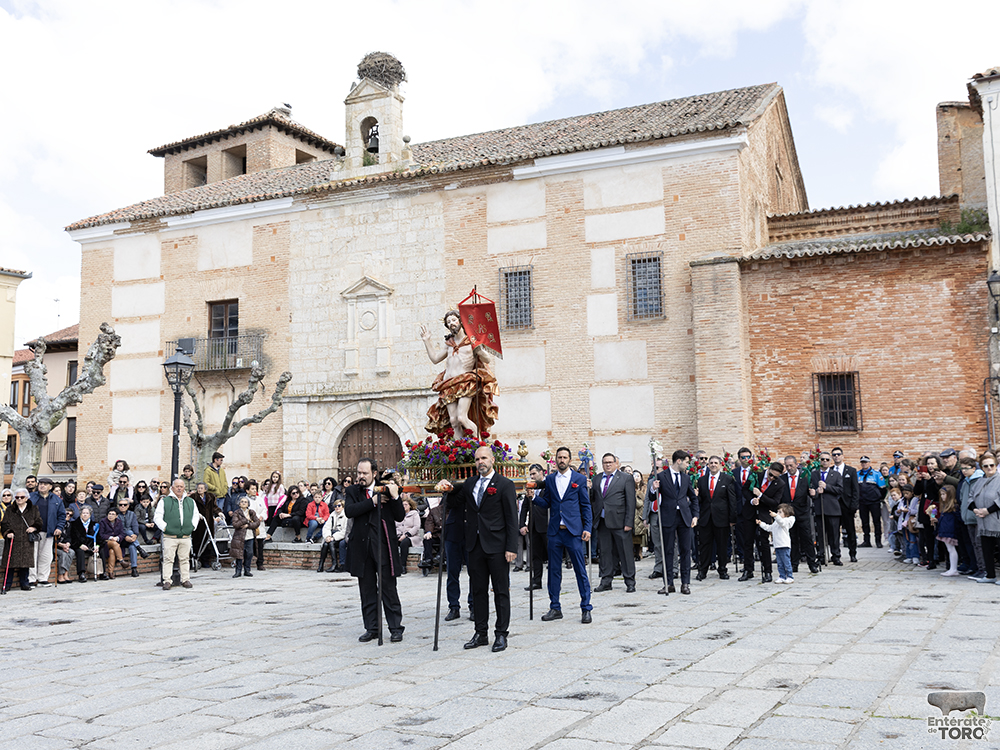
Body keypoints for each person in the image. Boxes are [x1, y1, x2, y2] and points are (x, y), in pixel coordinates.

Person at [439, 444, 518, 651]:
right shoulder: (470, 483)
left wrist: (512, 547)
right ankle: (480, 633)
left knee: (501, 591)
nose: (480, 462)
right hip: (474, 546)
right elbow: (454, 502)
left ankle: (501, 634)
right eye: (477, 459)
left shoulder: (505, 484)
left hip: (497, 546)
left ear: (492, 460)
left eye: (483, 458)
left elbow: (512, 518)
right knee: (478, 591)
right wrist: (446, 488)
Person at [345, 458, 405, 642]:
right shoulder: (353, 491)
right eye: (359, 473)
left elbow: (399, 516)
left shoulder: (386, 488)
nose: (361, 477)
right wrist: (372, 502)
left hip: (383, 546)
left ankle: (395, 628)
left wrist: (395, 497)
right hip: (361, 548)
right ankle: (372, 628)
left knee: (388, 588)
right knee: (367, 590)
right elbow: (350, 511)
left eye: (365, 473)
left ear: (374, 473)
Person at [534, 446, 594, 621]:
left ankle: (586, 608)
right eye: (559, 457)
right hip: (555, 532)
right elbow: (547, 502)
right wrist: (534, 498)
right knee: (553, 570)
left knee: (580, 570)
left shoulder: (579, 479)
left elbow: (585, 505)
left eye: (565, 457)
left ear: (569, 460)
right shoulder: (550, 479)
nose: (562, 460)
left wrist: (587, 528)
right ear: (556, 459)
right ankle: (555, 607)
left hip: (573, 531)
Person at [421, 310, 498, 438]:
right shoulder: (449, 344)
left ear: (461, 321)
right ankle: (459, 446)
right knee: (454, 421)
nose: (451, 323)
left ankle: (479, 444)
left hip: (465, 382)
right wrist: (427, 341)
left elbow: (487, 359)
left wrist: (479, 348)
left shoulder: (471, 341)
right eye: (448, 322)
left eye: (454, 320)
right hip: (448, 384)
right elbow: (435, 359)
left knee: (462, 417)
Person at [655, 450, 700, 595]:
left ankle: (685, 583)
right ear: (678, 461)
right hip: (668, 516)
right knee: (668, 550)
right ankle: (668, 583)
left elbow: (693, 498)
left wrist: (695, 515)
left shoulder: (686, 478)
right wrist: (653, 488)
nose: (688, 465)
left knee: (686, 550)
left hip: (684, 517)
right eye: (686, 462)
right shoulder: (661, 476)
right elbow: (652, 497)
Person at [591, 453, 637, 593]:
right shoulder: (597, 479)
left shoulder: (625, 478)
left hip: (620, 522)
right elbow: (593, 499)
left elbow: (631, 501)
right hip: (603, 521)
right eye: (605, 462)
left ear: (616, 463)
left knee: (625, 552)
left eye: (610, 462)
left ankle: (630, 581)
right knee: (605, 553)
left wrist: (629, 522)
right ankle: (606, 580)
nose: (608, 465)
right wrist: (588, 489)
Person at [154, 478, 205, 590]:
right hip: (170, 536)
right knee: (168, 559)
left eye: (181, 486)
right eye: (177, 486)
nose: (179, 488)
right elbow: (157, 517)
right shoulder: (164, 501)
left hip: (185, 536)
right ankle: (167, 580)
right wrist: (165, 528)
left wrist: (192, 527)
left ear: (184, 488)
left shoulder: (190, 501)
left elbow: (195, 515)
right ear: (172, 488)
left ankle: (185, 579)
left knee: (185, 559)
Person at [696, 455, 738, 581]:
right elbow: (700, 500)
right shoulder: (702, 480)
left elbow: (732, 500)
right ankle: (702, 570)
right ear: (708, 465)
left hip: (722, 518)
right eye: (711, 463)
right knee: (704, 546)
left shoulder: (727, 479)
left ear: (720, 465)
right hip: (706, 518)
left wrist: (732, 518)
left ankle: (722, 570)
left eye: (715, 463)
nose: (713, 465)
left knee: (722, 546)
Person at [1, 488, 43, 592]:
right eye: (17, 497)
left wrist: (34, 527)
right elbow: (4, 523)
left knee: (25, 563)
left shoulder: (33, 509)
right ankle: (7, 584)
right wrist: (8, 532)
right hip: (13, 539)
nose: (19, 499)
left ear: (27, 498)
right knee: (10, 563)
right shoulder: (10, 509)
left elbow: (39, 521)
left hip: (26, 540)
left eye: (22, 497)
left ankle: (25, 583)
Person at [784, 455, 818, 574]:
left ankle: (812, 563)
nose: (789, 468)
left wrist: (814, 493)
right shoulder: (783, 478)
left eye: (791, 465)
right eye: (787, 466)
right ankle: (794, 564)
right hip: (788, 514)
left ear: (797, 465)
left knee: (807, 539)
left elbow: (813, 493)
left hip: (803, 513)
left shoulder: (805, 477)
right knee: (792, 539)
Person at [29, 477, 66, 587]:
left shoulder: (57, 499)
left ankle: (42, 578)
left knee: (46, 556)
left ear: (50, 487)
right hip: (33, 531)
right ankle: (31, 579)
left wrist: (59, 528)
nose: (42, 486)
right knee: (32, 555)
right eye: (40, 483)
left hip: (49, 531)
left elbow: (61, 516)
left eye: (45, 484)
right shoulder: (31, 497)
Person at [810, 452, 844, 565]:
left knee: (834, 534)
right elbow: (810, 488)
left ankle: (836, 555)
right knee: (820, 534)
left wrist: (826, 487)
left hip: (832, 508)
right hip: (819, 508)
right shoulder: (814, 474)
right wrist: (815, 492)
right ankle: (821, 555)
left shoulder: (836, 474)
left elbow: (840, 490)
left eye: (827, 459)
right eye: (822, 459)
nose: (825, 461)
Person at [519, 463, 548, 592]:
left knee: (551, 555)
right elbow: (525, 507)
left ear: (541, 473)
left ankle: (553, 581)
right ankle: (536, 581)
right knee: (535, 555)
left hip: (547, 525)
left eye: (534, 474)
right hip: (534, 526)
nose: (532, 476)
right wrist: (522, 524)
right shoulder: (530, 487)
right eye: (530, 474)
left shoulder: (548, 485)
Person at [757, 504, 796, 583]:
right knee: (780, 563)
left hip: (784, 545)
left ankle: (789, 576)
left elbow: (782, 523)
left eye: (780, 512)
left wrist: (776, 516)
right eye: (777, 512)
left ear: (786, 514)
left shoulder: (787, 521)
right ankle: (782, 576)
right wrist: (761, 524)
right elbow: (769, 528)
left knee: (786, 562)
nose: (777, 513)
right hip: (777, 545)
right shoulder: (776, 522)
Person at [857, 456, 886, 548]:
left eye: (865, 462)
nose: (864, 464)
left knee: (876, 522)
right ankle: (866, 541)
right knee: (864, 522)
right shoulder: (858, 474)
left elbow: (883, 489)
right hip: (862, 502)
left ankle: (878, 541)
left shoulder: (876, 474)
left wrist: (878, 498)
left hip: (874, 502)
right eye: (862, 462)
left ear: (869, 463)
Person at [230, 496, 261, 578]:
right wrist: (245, 520)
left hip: (250, 537)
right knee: (239, 554)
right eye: (242, 502)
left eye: (245, 502)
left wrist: (248, 525)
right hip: (239, 537)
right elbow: (235, 524)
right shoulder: (236, 512)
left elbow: (257, 522)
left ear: (248, 504)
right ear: (239, 504)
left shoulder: (251, 512)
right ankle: (238, 571)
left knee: (249, 554)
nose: (243, 503)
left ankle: (247, 570)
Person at [933, 485, 961, 577]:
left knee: (951, 549)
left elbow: (959, 519)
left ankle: (954, 569)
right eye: (941, 494)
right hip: (945, 529)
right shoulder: (945, 506)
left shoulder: (953, 507)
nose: (942, 496)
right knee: (949, 549)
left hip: (950, 530)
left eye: (944, 494)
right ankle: (952, 568)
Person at [69, 505, 98, 582]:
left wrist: (97, 546)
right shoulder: (74, 524)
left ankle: (103, 572)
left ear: (90, 515)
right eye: (83, 513)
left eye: (87, 513)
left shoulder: (94, 524)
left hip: (90, 545)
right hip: (79, 545)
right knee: (80, 551)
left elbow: (99, 538)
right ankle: (81, 574)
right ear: (80, 514)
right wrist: (80, 545)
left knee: (101, 549)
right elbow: (73, 537)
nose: (85, 515)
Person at [244, 479, 268, 571]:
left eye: (255, 489)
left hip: (260, 526)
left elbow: (264, 510)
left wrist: (262, 517)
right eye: (252, 489)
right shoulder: (245, 500)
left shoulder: (260, 499)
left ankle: (260, 563)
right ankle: (247, 564)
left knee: (260, 546)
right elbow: (247, 512)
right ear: (247, 490)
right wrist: (256, 518)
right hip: (251, 526)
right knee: (250, 547)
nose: (254, 491)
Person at [97, 507, 127, 580]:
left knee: (112, 551)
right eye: (109, 514)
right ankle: (121, 560)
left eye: (113, 514)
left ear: (116, 516)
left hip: (115, 543)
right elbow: (101, 534)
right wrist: (110, 537)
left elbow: (122, 533)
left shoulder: (119, 522)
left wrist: (117, 537)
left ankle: (110, 573)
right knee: (114, 543)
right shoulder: (103, 522)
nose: (110, 516)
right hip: (105, 543)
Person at [320, 497, 349, 573]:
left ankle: (335, 564)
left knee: (331, 543)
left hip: (342, 536)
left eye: (339, 506)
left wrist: (333, 537)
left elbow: (345, 531)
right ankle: (322, 565)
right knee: (326, 543)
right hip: (332, 535)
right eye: (335, 506)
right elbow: (326, 527)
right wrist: (327, 536)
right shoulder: (332, 514)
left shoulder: (346, 515)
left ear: (343, 507)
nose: (337, 507)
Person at [395, 496, 422, 573]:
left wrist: (406, 535)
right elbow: (395, 526)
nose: (404, 506)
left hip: (412, 537)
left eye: (406, 504)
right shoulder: (398, 515)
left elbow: (416, 527)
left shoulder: (414, 514)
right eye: (402, 505)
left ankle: (403, 566)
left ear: (410, 505)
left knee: (404, 543)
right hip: (399, 535)